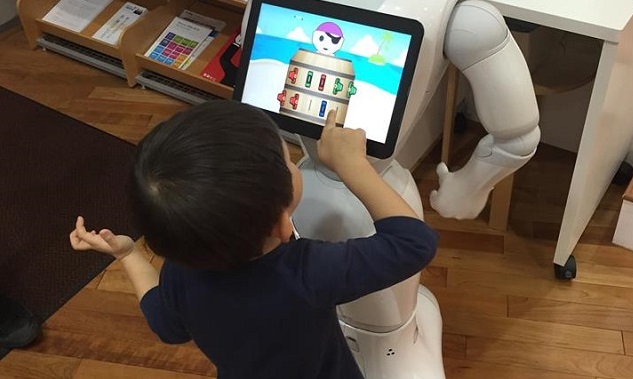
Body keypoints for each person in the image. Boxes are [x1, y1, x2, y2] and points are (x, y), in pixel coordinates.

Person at [69, 103, 438, 379]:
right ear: (282, 224)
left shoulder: (181, 274)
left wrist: (129, 254)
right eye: (288, 162)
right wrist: (352, 164)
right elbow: (413, 242)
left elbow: (166, 325)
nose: (293, 163)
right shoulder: (308, 272)